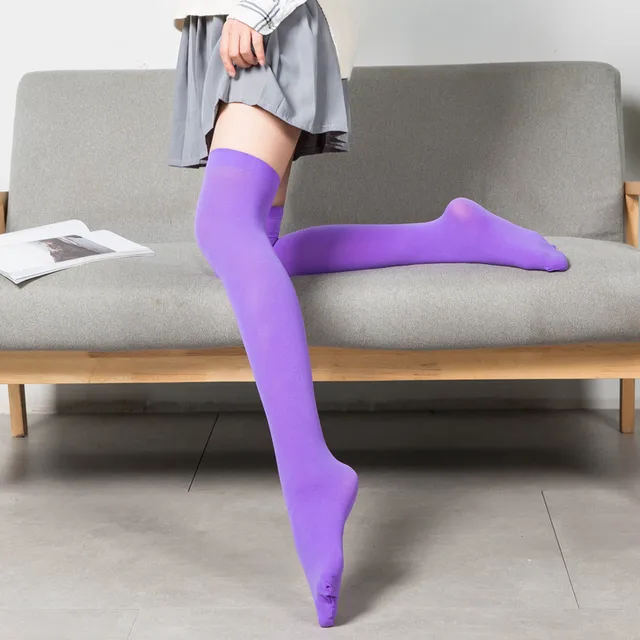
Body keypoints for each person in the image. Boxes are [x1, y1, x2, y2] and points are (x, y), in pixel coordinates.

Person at [170, 0, 569, 627]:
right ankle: (452, 235)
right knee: (260, 251)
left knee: (224, 228)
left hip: (264, 22)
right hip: (224, 25)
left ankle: (311, 475)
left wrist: (253, 8)